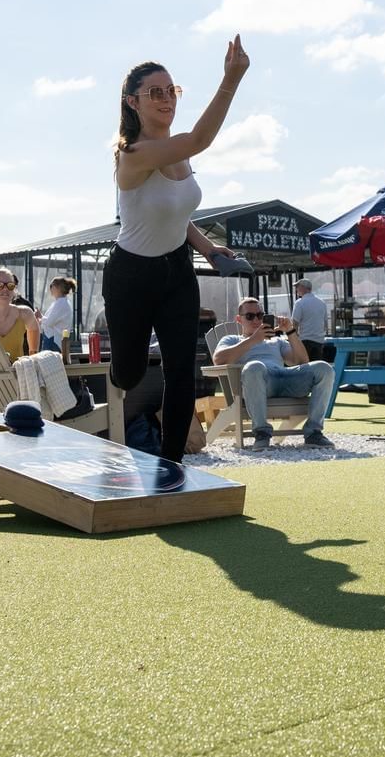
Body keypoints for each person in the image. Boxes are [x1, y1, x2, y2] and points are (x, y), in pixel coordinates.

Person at [103, 37, 249, 464]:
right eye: (155, 92)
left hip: (176, 274)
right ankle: (121, 369)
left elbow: (174, 213)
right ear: (132, 102)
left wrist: (206, 249)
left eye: (172, 90)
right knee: (128, 374)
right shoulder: (135, 154)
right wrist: (232, 78)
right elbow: (201, 137)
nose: (167, 99)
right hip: (131, 275)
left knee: (182, 369)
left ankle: (171, 466)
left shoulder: (179, 154)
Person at [212, 296, 335, 451]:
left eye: (260, 315)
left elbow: (302, 361)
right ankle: (262, 433)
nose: (256, 320)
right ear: (239, 319)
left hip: (285, 378)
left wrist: (290, 331)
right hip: (259, 383)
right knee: (254, 366)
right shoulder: (232, 339)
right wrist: (252, 340)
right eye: (250, 316)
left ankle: (314, 433)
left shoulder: (276, 341)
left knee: (323, 368)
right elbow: (218, 360)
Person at [0, 268, 41, 362]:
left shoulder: (25, 313)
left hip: (16, 373)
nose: (5, 289)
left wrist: (32, 355)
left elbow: (34, 329)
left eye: (10, 285)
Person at [290, 278, 329, 361]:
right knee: (316, 368)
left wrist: (293, 340)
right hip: (319, 342)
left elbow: (295, 324)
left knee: (304, 367)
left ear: (304, 288)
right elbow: (325, 324)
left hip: (304, 341)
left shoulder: (299, 303)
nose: (296, 289)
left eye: (298, 286)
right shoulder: (322, 303)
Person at [39, 276, 76, 353]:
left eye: (51, 286)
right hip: (55, 340)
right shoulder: (62, 302)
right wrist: (41, 318)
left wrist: (40, 318)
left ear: (57, 287)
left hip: (53, 341)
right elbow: (49, 321)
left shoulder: (61, 303)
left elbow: (49, 322)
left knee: (48, 364)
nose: (50, 289)